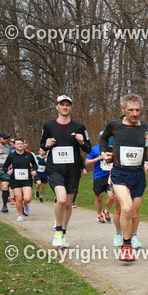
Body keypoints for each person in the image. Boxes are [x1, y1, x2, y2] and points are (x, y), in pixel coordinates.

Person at [101, 94, 148, 262]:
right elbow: (103, 138)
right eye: (131, 110)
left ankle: (132, 237)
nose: (135, 113)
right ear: (123, 109)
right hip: (119, 173)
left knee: (134, 213)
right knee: (126, 208)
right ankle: (126, 246)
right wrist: (104, 152)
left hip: (138, 174)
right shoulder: (115, 125)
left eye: (138, 110)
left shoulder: (147, 128)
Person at [40, 94, 91, 248]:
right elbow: (42, 145)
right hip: (55, 168)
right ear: (56, 107)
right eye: (62, 104)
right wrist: (47, 144)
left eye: (68, 105)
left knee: (68, 204)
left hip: (73, 169)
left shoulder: (79, 127)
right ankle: (57, 231)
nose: (65, 107)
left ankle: (63, 233)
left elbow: (88, 148)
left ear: (71, 107)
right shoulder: (48, 126)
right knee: (61, 199)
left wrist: (81, 142)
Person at [4, 138, 36, 220]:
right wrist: (8, 171)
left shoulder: (29, 155)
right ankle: (20, 215)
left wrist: (34, 171)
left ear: (24, 145)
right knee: (18, 198)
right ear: (14, 145)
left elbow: (35, 165)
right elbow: (4, 166)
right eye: (18, 144)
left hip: (26, 179)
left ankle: (25, 205)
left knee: (27, 198)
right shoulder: (11, 156)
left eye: (21, 143)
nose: (20, 145)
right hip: (15, 179)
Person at [85, 136, 112, 224]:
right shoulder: (94, 149)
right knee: (99, 197)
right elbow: (87, 162)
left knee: (112, 196)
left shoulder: (112, 148)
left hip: (110, 175)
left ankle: (106, 211)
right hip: (98, 176)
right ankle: (99, 215)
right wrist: (98, 158)